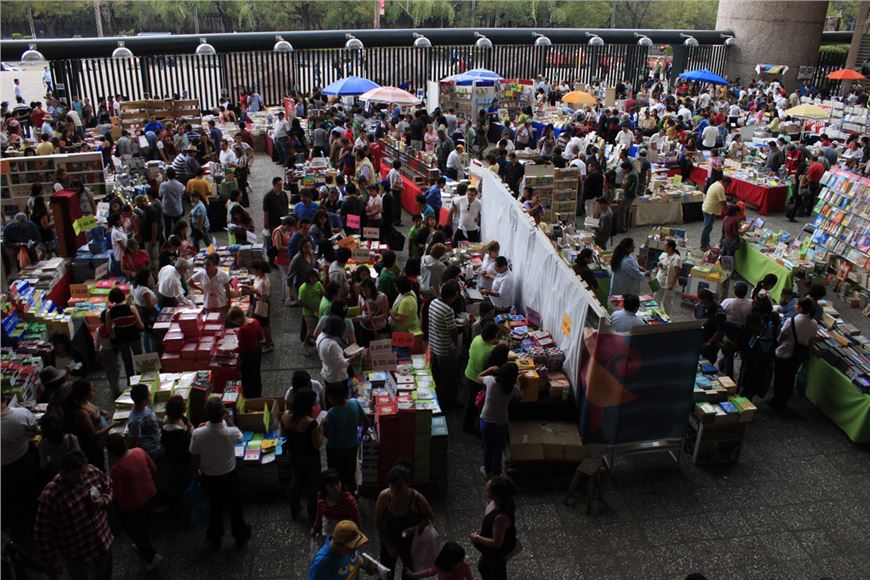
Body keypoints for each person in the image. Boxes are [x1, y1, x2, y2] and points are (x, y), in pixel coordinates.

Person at [34, 450, 114, 580]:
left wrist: (103, 500)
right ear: (63, 473)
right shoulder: (50, 496)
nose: (82, 478)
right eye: (76, 475)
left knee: (105, 575)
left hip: (102, 542)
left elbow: (108, 486)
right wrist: (51, 563)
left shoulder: (92, 471)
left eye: (84, 473)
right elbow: (42, 534)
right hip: (78, 555)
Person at [189, 397, 250, 547]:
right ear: (223, 413)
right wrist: (229, 421)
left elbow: (194, 457)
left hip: (209, 479)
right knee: (235, 508)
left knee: (214, 508)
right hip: (229, 477)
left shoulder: (198, 433)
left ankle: (215, 537)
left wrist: (196, 475)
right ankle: (240, 535)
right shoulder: (231, 432)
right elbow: (241, 438)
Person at [105, 433, 163, 571]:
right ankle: (143, 543)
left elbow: (118, 496)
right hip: (151, 495)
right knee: (144, 525)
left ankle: (151, 556)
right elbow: (154, 469)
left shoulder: (116, 469)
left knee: (134, 530)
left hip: (133, 506)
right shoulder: (139, 451)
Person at [374, 460, 436, 578]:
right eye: (391, 485)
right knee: (385, 573)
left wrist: (415, 528)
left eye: (398, 486)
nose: (394, 490)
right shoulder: (384, 497)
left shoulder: (417, 499)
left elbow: (431, 519)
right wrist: (388, 546)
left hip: (410, 543)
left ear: (408, 483)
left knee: (409, 574)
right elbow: (378, 523)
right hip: (389, 538)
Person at [281, 389, 323, 523]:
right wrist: (321, 429)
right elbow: (317, 445)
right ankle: (313, 514)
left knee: (297, 480)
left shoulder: (286, 415)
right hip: (310, 458)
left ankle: (294, 508)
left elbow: (282, 434)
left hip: (293, 455)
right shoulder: (310, 422)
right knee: (312, 486)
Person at [771, 298, 818, 410]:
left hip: (785, 352)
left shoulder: (791, 321)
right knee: (790, 377)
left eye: (797, 305)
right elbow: (812, 341)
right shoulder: (813, 323)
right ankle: (785, 399)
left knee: (779, 378)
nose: (795, 306)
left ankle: (777, 400)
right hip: (798, 355)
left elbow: (782, 337)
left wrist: (777, 341)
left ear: (800, 308)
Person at [470, 475, 519, 580]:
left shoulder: (500, 518)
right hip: (499, 550)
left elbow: (497, 543)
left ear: (497, 496)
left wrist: (476, 537)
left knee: (488, 569)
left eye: (488, 490)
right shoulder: (505, 501)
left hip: (495, 554)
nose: (485, 491)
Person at [477, 363, 521, 478]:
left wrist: (489, 369)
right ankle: (496, 473)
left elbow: (478, 377)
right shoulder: (513, 388)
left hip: (486, 420)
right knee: (498, 449)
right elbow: (520, 396)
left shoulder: (490, 381)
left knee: (487, 447)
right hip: (502, 422)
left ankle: (487, 471)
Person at [323, 381, 366, 494]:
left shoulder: (332, 413)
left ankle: (338, 495)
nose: (328, 399)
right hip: (352, 446)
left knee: (336, 473)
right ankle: (351, 495)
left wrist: (323, 428)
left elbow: (330, 436)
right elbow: (365, 421)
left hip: (336, 449)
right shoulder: (354, 402)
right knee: (350, 471)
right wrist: (360, 436)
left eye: (329, 397)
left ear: (335, 398)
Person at [738, 291, 781, 402]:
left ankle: (745, 393)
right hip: (767, 349)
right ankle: (754, 392)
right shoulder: (774, 316)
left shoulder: (752, 317)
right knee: (761, 371)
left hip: (752, 349)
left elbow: (746, 334)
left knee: (749, 370)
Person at [464, 322, 500, 435]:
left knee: (470, 400)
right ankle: (472, 427)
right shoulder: (490, 350)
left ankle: (468, 423)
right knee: (477, 403)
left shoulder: (477, 338)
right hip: (478, 379)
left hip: (469, 372)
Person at [106, 287, 143, 383]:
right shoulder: (131, 308)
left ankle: (131, 381)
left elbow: (109, 330)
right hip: (134, 336)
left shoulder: (109, 312)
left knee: (127, 361)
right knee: (139, 358)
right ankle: (142, 378)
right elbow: (140, 325)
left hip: (121, 339)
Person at [312, 468, 362, 538]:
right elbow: (319, 514)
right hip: (327, 533)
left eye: (337, 484)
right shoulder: (321, 497)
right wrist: (315, 529)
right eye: (331, 486)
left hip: (344, 535)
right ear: (324, 487)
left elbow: (356, 519)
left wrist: (357, 536)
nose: (336, 487)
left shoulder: (349, 500)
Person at [227, 307, 263, 399]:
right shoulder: (255, 321)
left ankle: (250, 396)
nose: (234, 323)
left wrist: (230, 349)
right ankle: (257, 392)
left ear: (237, 318)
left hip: (249, 355)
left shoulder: (244, 329)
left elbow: (242, 348)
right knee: (256, 373)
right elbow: (260, 337)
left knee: (248, 377)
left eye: (234, 321)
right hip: (257, 350)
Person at [651, 239, 682, 314]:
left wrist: (672, 284)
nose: (663, 246)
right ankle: (654, 314)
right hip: (658, 279)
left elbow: (676, 273)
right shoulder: (663, 254)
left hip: (668, 283)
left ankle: (665, 317)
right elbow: (659, 264)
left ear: (670, 248)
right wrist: (659, 265)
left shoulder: (677, 259)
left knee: (666, 302)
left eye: (665, 245)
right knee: (655, 298)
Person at [696, 289, 727, 365]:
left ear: (711, 301)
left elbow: (720, 331)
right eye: (701, 303)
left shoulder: (719, 313)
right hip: (699, 340)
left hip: (710, 346)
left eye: (705, 303)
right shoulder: (699, 307)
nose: (703, 305)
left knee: (707, 365)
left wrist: (709, 343)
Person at [700, 176, 731, 251]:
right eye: (728, 186)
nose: (727, 188)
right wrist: (729, 211)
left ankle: (706, 243)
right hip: (710, 210)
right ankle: (703, 245)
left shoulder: (716, 184)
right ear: (725, 183)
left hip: (708, 208)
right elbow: (723, 201)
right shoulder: (720, 188)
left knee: (708, 227)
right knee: (707, 228)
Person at [299, 269, 325, 355]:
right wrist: (312, 309)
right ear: (307, 278)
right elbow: (300, 302)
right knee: (310, 331)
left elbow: (322, 293)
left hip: (318, 311)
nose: (314, 279)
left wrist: (321, 304)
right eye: (312, 278)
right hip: (308, 313)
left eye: (315, 277)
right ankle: (304, 345)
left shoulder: (318, 284)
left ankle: (315, 343)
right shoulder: (303, 288)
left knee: (318, 329)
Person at [159, 167, 185, 234]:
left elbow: (160, 195)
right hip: (178, 210)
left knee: (168, 228)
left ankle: (169, 241)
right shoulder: (180, 185)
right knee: (178, 228)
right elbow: (182, 194)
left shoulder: (164, 185)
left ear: (166, 175)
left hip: (167, 210)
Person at [617, 161, 639, 233]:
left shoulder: (630, 175)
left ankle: (622, 227)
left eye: (624, 169)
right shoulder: (634, 173)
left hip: (628, 195)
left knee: (622, 211)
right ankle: (626, 226)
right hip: (632, 194)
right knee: (627, 211)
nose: (623, 171)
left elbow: (625, 186)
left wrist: (623, 184)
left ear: (627, 168)